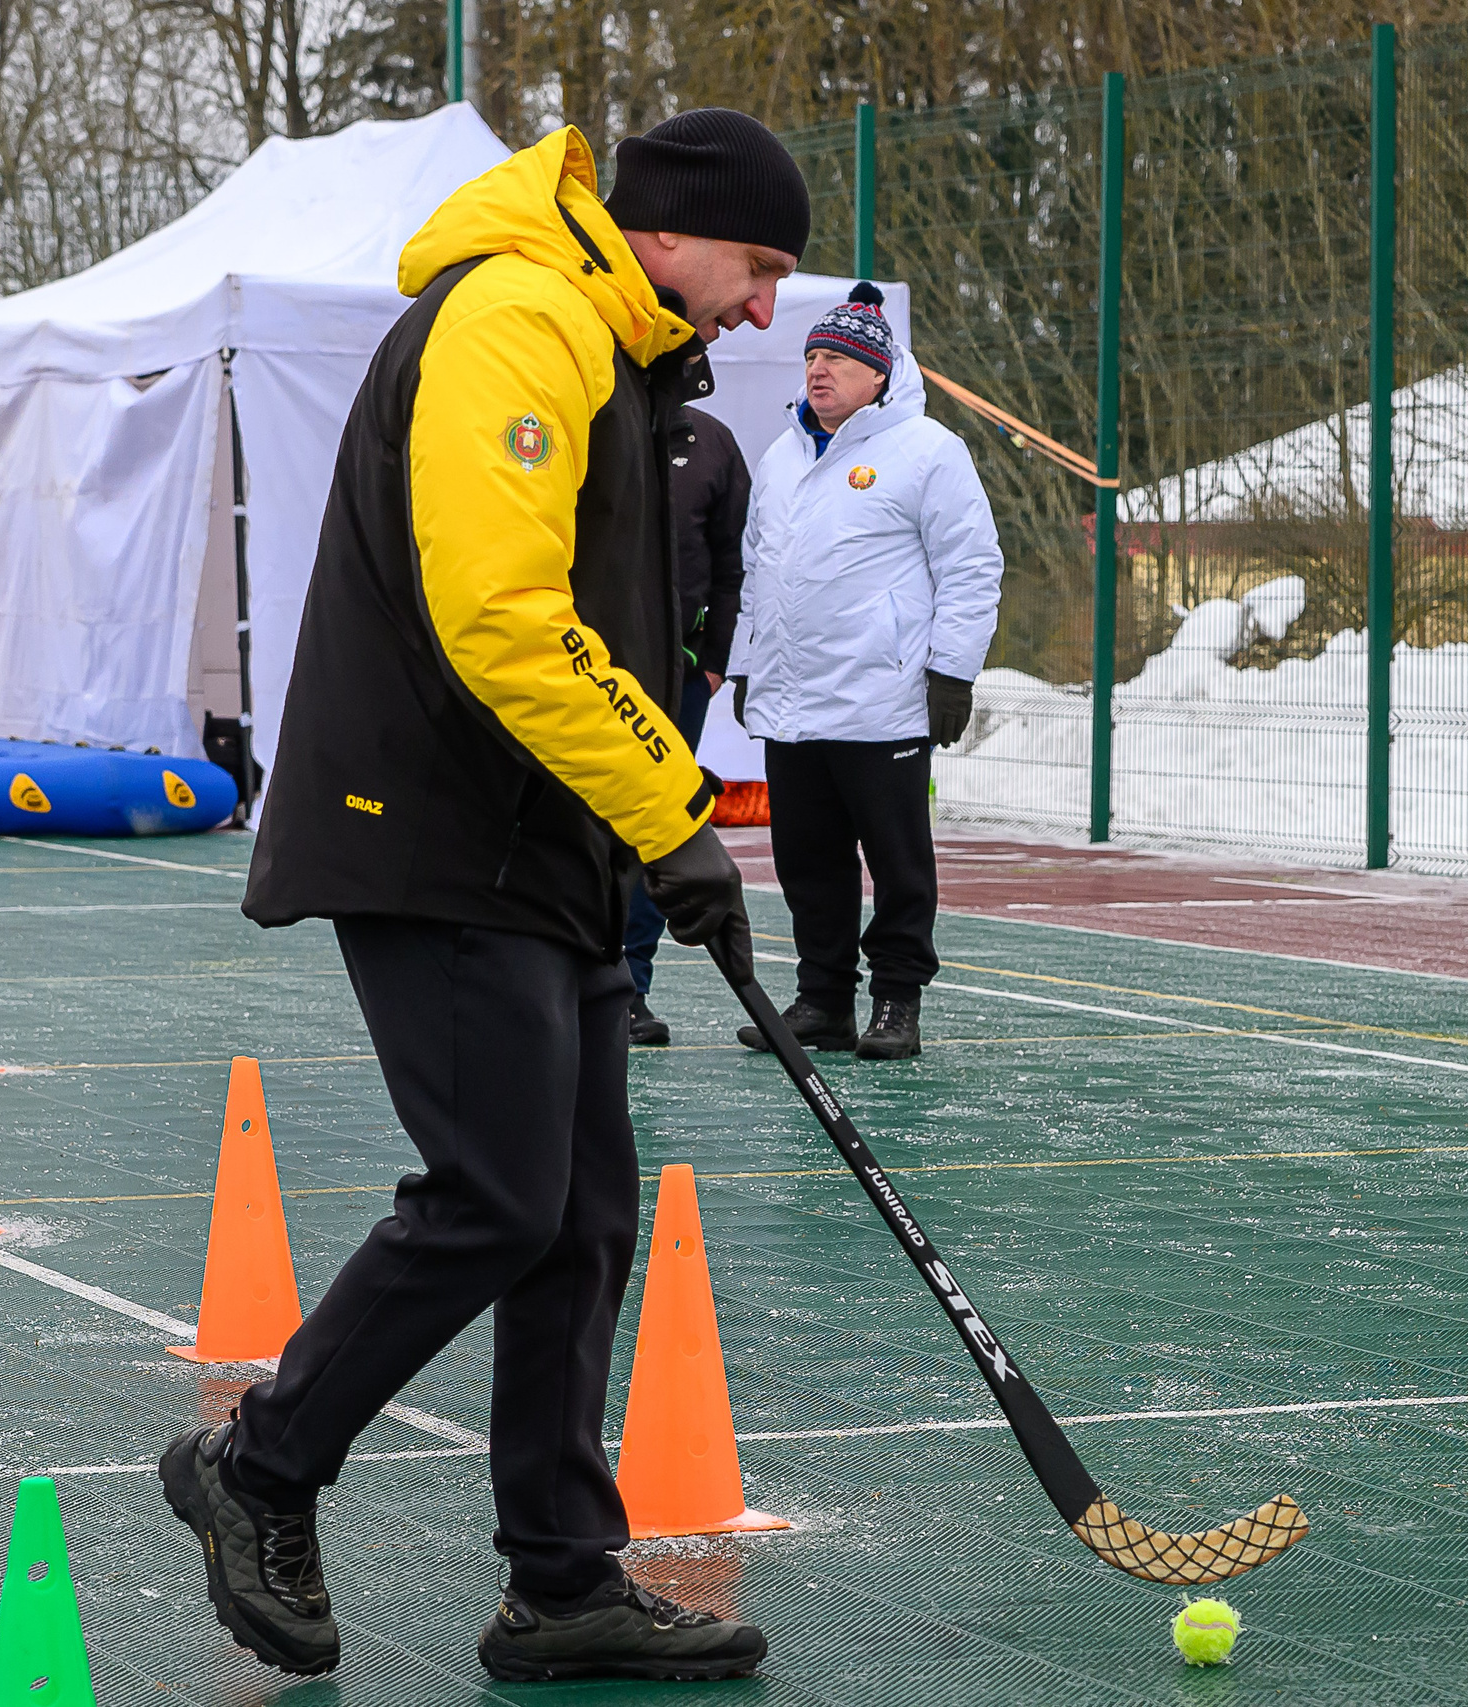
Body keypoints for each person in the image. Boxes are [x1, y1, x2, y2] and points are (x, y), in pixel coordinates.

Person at [164, 110, 807, 1684]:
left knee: (582, 1218)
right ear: (668, 229)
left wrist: (640, 830)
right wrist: (675, 817)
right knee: (501, 1196)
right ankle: (256, 1463)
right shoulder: (522, 315)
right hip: (438, 830)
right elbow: (503, 613)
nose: (766, 306)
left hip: (543, 843)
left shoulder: (614, 344)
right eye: (758, 263)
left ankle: (564, 1580)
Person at [726, 284, 1004, 1061]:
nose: (819, 370)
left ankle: (896, 1000)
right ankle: (822, 1000)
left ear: (879, 374)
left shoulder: (928, 451)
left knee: (897, 861)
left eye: (839, 358)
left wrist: (952, 671)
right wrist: (750, 664)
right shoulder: (782, 454)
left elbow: (972, 567)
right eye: (813, 355)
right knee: (807, 864)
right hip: (792, 705)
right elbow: (760, 570)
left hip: (882, 701)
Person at [625, 403, 750, 1046]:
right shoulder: (586, 415)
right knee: (579, 830)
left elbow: (734, 566)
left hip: (680, 680)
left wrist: (714, 663)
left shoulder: (713, 444)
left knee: (660, 828)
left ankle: (630, 991)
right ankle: (568, 983)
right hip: (588, 673)